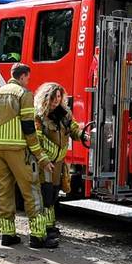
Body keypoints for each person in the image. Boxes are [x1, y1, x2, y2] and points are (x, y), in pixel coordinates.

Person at [0, 63, 56, 248]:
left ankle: (8, 234)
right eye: (28, 77)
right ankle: (38, 236)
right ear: (23, 76)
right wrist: (41, 157)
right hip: (19, 150)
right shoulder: (24, 94)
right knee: (31, 190)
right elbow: (28, 128)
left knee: (5, 191)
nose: (29, 81)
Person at [34, 81, 86, 239]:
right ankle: (43, 228)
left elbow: (74, 129)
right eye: (53, 97)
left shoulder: (65, 114)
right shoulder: (39, 116)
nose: (56, 100)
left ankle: (50, 225)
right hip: (44, 163)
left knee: (54, 193)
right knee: (45, 194)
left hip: (58, 163)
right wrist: (43, 158)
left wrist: (84, 136)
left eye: (59, 96)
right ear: (46, 97)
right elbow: (36, 139)